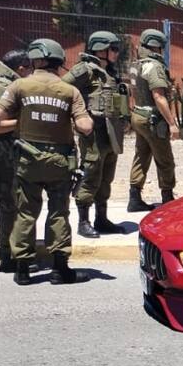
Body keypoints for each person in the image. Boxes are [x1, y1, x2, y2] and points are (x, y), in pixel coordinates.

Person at [0, 38, 94, 285]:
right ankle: (60, 270)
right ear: (58, 61)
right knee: (58, 212)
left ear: (36, 59)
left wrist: (23, 121)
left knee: (25, 212)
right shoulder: (69, 91)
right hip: (59, 161)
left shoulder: (19, 86)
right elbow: (85, 126)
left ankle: (22, 271)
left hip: (27, 160)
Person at [62, 31, 129, 238]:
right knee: (90, 175)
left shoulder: (108, 71)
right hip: (93, 134)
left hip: (110, 132)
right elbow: (62, 89)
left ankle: (101, 218)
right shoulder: (85, 69)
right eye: (113, 49)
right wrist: (79, 115)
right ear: (101, 49)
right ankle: (83, 221)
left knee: (106, 177)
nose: (117, 53)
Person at [128, 28, 179, 211]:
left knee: (141, 155)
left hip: (139, 115)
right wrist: (172, 124)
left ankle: (134, 197)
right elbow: (159, 97)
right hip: (152, 119)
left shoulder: (136, 64)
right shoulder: (154, 66)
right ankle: (168, 197)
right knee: (164, 158)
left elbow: (133, 92)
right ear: (158, 47)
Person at [0, 50, 31, 273]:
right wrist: (24, 121)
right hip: (2, 151)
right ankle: (7, 254)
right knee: (9, 202)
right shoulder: (4, 86)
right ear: (21, 68)